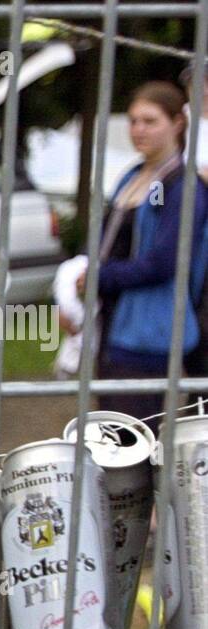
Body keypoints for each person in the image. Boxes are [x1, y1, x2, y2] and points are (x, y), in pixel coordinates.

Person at [78, 81, 208, 431]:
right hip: (111, 323)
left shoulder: (181, 186)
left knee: (133, 434)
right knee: (110, 428)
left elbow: (165, 262)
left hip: (146, 330)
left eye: (150, 121)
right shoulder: (133, 177)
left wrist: (98, 277)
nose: (138, 130)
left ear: (178, 123)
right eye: (134, 121)